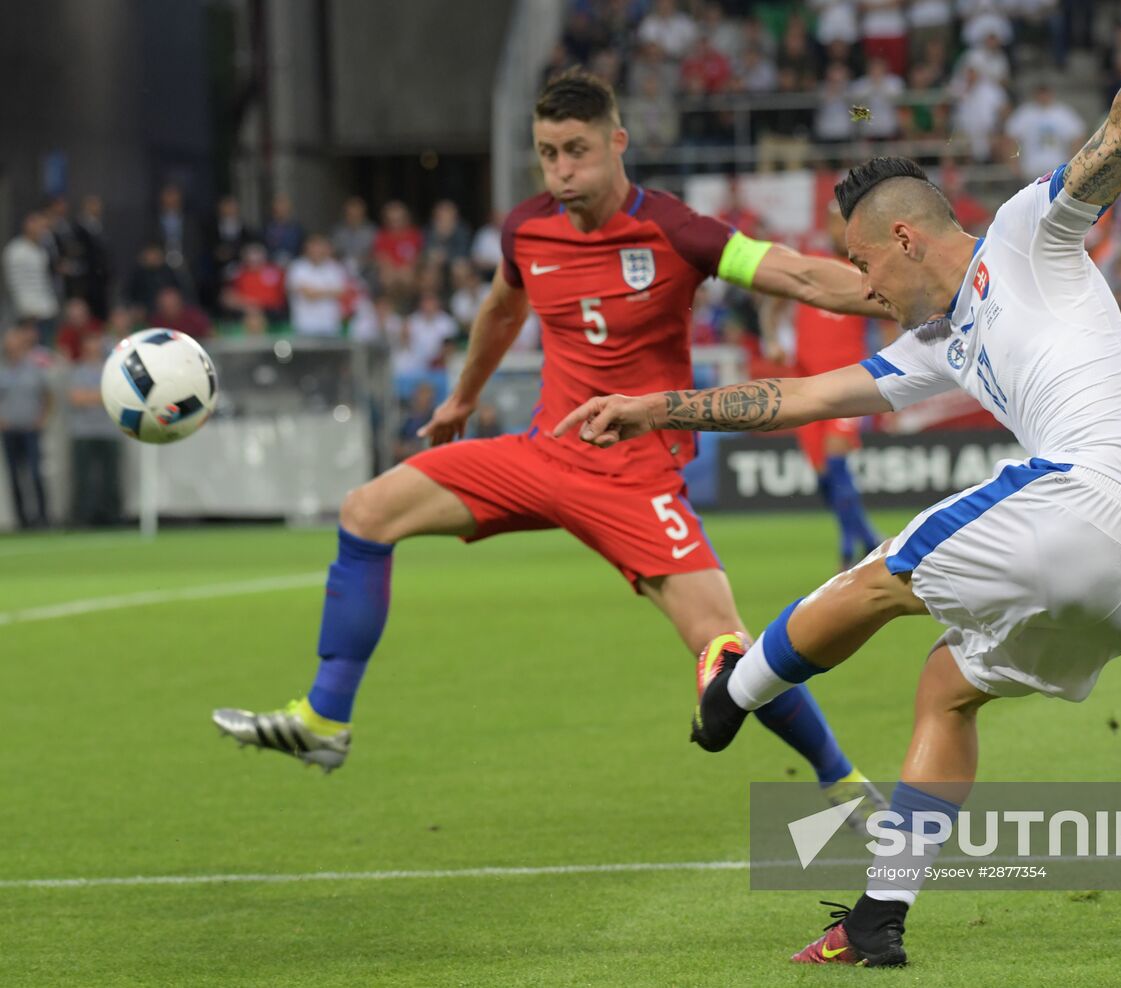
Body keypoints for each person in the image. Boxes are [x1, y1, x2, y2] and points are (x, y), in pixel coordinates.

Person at [556, 1, 1121, 966]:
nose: (862, 289)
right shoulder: (938, 344)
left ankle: (732, 693)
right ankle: (876, 922)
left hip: (1090, 497)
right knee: (946, 689)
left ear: (904, 240)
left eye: (862, 265)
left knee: (879, 576)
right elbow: (793, 399)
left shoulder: (1028, 238)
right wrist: (656, 409)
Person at [212, 68, 891, 819]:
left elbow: (794, 274)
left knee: (727, 650)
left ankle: (843, 782)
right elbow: (503, 310)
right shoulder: (526, 230)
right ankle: (324, 720)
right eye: (548, 154)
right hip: (541, 456)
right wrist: (464, 397)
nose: (563, 171)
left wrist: (909, 290)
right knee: (367, 510)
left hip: (635, 475)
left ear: (617, 142)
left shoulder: (678, 231)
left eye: (577, 150)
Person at [771, 200, 882, 569]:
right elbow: (773, 298)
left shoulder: (869, 270)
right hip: (806, 385)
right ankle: (861, 542)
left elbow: (892, 318)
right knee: (822, 477)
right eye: (834, 224)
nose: (839, 233)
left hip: (850, 384)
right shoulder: (812, 265)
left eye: (845, 226)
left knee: (836, 463)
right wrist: (773, 337)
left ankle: (858, 548)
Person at [66, 333, 122, 527]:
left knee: (111, 478)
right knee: (83, 477)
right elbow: (76, 399)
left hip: (109, 432)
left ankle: (112, 517)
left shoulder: (112, 369)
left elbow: (117, 397)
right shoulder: (78, 370)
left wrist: (91, 396)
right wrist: (101, 396)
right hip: (83, 432)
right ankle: (81, 517)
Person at [0, 322, 51, 529]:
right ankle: (22, 519)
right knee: (14, 475)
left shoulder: (34, 367)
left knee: (35, 473)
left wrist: (42, 418)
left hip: (30, 428)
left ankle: (42, 517)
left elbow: (48, 395)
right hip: (9, 429)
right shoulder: (2, 369)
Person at [3, 213, 60, 342]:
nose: (44, 231)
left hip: (46, 310)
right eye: (41, 227)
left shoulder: (41, 251)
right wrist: (26, 310)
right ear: (29, 226)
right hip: (28, 313)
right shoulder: (15, 251)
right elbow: (15, 283)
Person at [286, 235, 348, 338]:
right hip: (304, 325)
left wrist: (315, 291)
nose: (317, 251)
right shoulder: (297, 267)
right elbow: (309, 295)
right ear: (307, 248)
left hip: (330, 325)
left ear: (326, 248)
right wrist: (329, 292)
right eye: (314, 247)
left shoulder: (335, 267)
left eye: (320, 247)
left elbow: (341, 292)